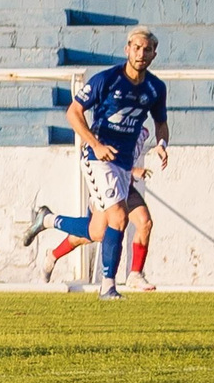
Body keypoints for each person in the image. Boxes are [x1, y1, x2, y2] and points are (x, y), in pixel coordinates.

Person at [22, 26, 169, 300]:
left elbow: (161, 122)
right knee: (120, 218)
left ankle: (48, 219)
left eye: (146, 49)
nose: (141, 53)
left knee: (98, 230)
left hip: (123, 166)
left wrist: (162, 145)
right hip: (97, 159)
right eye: (136, 47)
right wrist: (95, 144)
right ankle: (108, 287)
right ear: (127, 50)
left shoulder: (155, 88)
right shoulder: (107, 79)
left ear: (153, 54)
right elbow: (74, 112)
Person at [41, 124, 165, 290]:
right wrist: (133, 170)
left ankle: (135, 275)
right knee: (96, 233)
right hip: (106, 184)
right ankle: (51, 231)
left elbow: (161, 122)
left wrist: (161, 145)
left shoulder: (142, 131)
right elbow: (98, 151)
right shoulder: (115, 121)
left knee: (145, 223)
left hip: (125, 186)